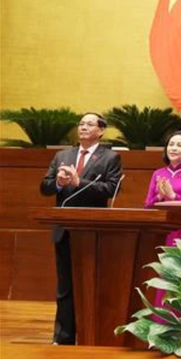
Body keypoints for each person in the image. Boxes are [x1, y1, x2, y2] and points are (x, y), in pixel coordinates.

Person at [39, 112, 122, 345]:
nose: (84, 127)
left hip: (93, 231)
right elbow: (45, 187)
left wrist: (79, 182)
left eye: (89, 124)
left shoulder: (110, 158)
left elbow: (111, 189)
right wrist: (58, 182)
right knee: (65, 287)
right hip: (64, 228)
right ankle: (63, 338)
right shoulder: (62, 155)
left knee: (91, 286)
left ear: (101, 130)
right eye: (81, 124)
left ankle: (91, 335)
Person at [144, 130, 181, 310]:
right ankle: (160, 325)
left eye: (179, 145)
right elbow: (148, 206)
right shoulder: (158, 173)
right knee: (161, 281)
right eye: (171, 144)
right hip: (161, 234)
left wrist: (173, 196)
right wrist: (160, 197)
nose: (174, 148)